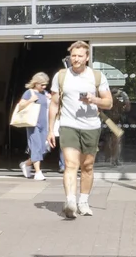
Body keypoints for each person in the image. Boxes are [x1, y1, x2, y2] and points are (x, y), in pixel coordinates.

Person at [47, 40, 112, 219]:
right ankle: (70, 202)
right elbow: (53, 104)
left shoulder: (97, 77)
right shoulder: (61, 76)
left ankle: (83, 201)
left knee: (87, 166)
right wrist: (51, 130)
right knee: (70, 164)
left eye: (79, 56)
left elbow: (109, 102)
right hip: (68, 125)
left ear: (87, 57)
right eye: (73, 56)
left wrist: (94, 100)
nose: (75, 59)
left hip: (91, 126)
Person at [17, 72, 50, 180]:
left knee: (43, 149)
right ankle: (38, 172)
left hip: (45, 125)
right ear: (36, 83)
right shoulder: (29, 93)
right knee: (36, 147)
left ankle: (26, 164)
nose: (44, 87)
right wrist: (31, 100)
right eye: (42, 84)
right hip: (33, 124)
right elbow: (20, 106)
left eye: (45, 84)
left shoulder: (45, 93)